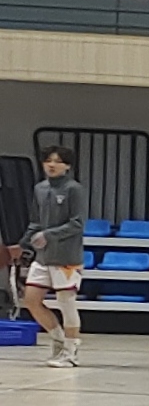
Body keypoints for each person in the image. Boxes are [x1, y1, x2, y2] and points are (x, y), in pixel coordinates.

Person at [21, 141, 86, 365]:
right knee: (31, 300)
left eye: (58, 162)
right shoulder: (40, 189)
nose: (52, 165)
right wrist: (22, 243)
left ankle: (71, 351)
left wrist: (49, 235)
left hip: (67, 258)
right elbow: (35, 221)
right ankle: (58, 339)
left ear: (67, 166)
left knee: (66, 302)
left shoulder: (74, 189)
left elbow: (77, 224)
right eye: (48, 161)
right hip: (43, 257)